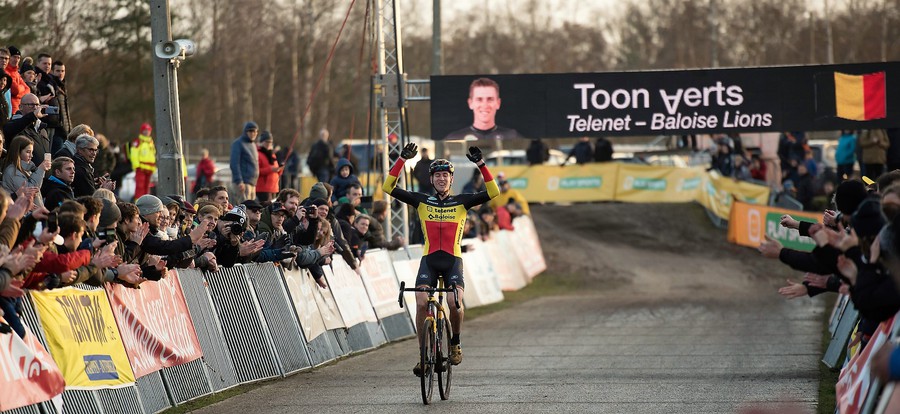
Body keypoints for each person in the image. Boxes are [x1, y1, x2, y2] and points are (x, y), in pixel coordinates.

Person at [383, 143, 500, 375]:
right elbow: (388, 187)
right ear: (431, 179)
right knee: (420, 302)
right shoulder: (421, 201)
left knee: (455, 303)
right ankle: (423, 356)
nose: (441, 179)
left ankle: (455, 342)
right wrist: (401, 160)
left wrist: (481, 164)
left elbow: (493, 192)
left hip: (452, 261)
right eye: (437, 175)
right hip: (429, 260)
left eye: (445, 175)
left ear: (451, 179)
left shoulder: (463, 201)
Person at [444, 77, 520, 144]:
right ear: (470, 103)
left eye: (490, 99)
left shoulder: (512, 135)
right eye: (479, 99)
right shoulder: (454, 138)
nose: (485, 105)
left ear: (498, 103)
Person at [1, 136, 50, 205]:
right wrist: (40, 170)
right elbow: (31, 190)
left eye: (32, 152)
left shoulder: (27, 169)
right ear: (18, 152)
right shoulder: (12, 171)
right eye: (28, 152)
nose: (31, 156)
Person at [3, 93, 51, 162]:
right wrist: (32, 116)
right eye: (31, 105)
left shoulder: (41, 129)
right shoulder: (14, 124)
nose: (35, 108)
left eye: (37, 105)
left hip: (43, 172)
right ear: (20, 107)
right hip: (22, 171)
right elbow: (10, 129)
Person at [231, 121, 260, 202]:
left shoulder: (253, 145)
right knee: (243, 210)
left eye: (255, 131)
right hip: (243, 183)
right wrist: (239, 181)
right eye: (251, 131)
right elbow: (234, 164)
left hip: (252, 184)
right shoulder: (238, 144)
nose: (253, 133)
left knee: (251, 211)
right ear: (245, 132)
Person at [129, 122, 156, 200]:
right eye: (145, 130)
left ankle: (146, 202)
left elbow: (152, 154)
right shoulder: (138, 141)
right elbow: (134, 154)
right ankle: (138, 203)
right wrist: (136, 166)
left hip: (150, 168)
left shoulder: (150, 142)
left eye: (148, 130)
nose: (147, 132)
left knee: (147, 188)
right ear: (142, 131)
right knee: (140, 187)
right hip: (141, 168)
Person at [256, 131, 283, 203]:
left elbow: (277, 172)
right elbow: (257, 171)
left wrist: (280, 169)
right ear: (261, 142)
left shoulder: (272, 155)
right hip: (263, 188)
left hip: (274, 188)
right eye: (266, 142)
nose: (268, 144)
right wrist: (271, 169)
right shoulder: (258, 154)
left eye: (270, 142)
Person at [2, 47, 28, 114]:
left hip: (15, 110)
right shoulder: (6, 73)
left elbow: (28, 89)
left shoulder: (16, 73)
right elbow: (16, 90)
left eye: (18, 58)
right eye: (14, 57)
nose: (16, 60)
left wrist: (19, 92)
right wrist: (21, 88)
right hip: (10, 111)